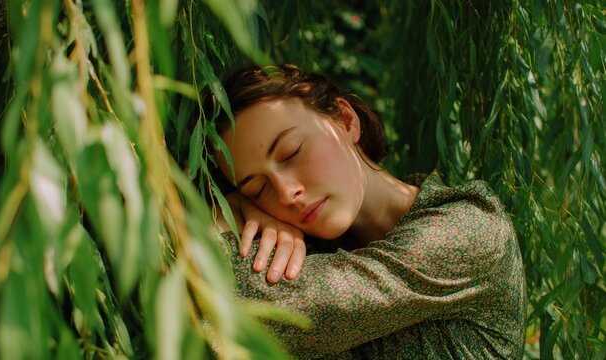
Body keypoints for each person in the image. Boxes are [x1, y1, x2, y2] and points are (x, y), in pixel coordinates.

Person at [209, 64, 527, 359]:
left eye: (292, 152)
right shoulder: (313, 252)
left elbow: (253, 308)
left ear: (346, 121)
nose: (286, 193)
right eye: (257, 190)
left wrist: (212, 223)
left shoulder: (469, 228)